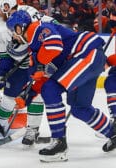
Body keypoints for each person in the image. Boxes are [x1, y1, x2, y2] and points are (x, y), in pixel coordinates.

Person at [6, 10, 116, 162]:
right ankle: (113, 133)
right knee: (79, 108)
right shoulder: (36, 53)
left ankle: (59, 144)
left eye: (12, 30)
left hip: (86, 53)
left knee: (50, 89)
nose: (13, 35)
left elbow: (54, 45)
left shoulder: (37, 28)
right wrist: (28, 95)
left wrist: (39, 66)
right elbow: (45, 78)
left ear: (20, 27)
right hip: (85, 59)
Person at [0, 0, 55, 147]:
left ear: (6, 5)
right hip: (18, 63)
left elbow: (51, 23)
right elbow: (5, 56)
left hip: (37, 61)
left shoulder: (29, 11)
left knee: (35, 95)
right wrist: (0, 72)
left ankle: (32, 129)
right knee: (8, 96)